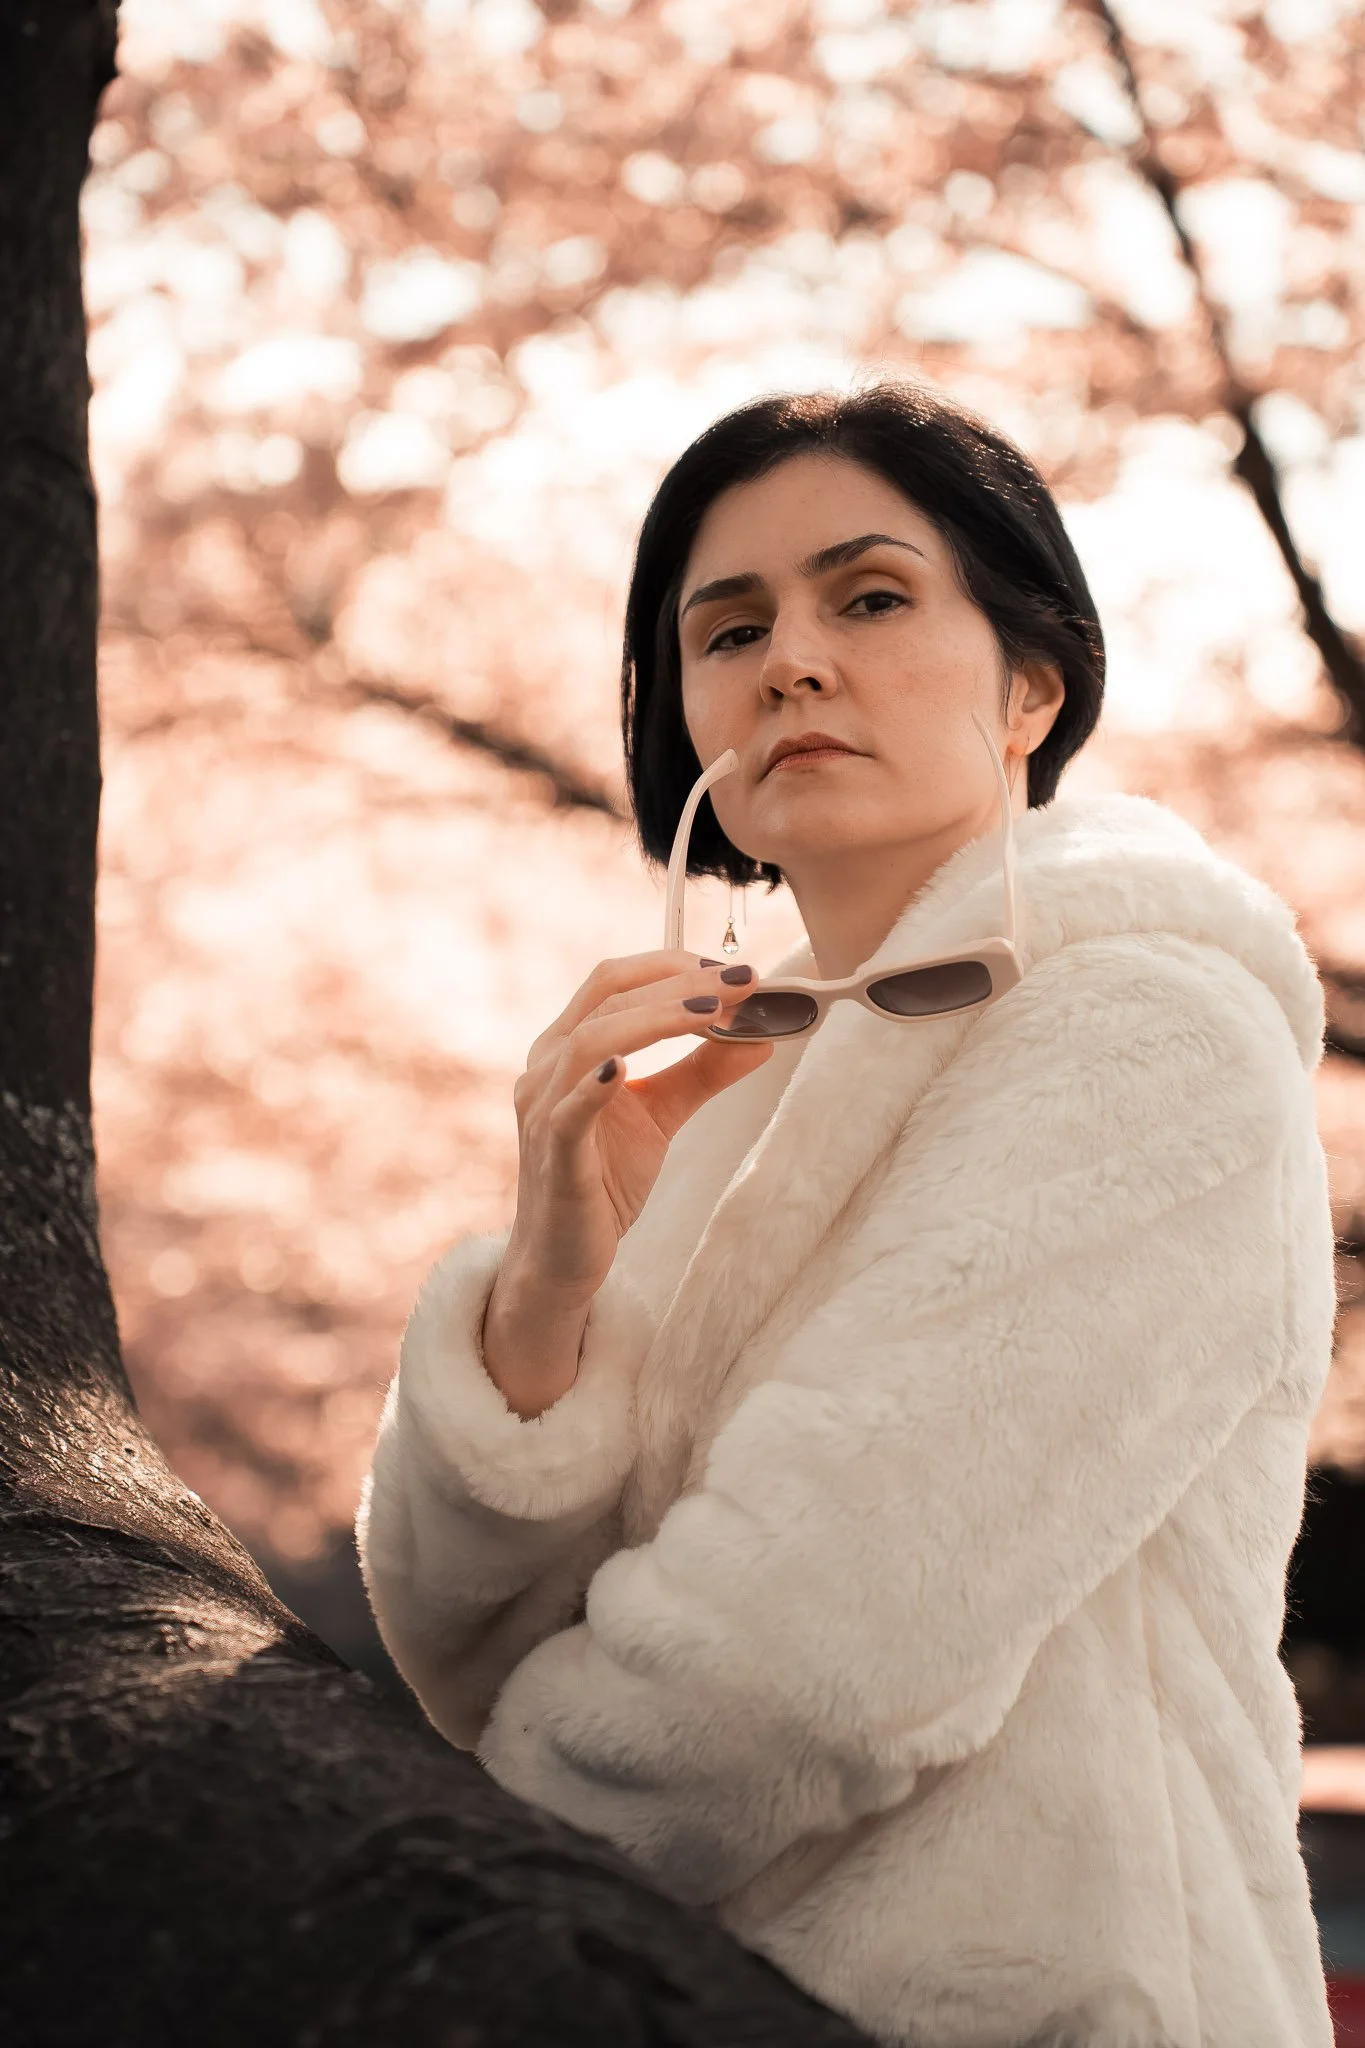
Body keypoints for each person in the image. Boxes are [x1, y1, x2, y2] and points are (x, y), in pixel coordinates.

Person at [356, 382, 1336, 2048]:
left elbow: (801, 1654)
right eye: (726, 630)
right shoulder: (728, 1085)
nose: (791, 660)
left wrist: (438, 1874)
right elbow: (458, 1643)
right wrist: (543, 1298)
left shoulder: (1154, 1034)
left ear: (1034, 685)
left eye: (869, 598)